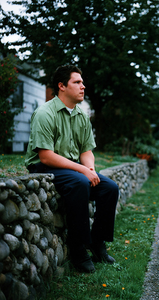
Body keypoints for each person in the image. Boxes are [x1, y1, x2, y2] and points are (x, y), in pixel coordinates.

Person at [25, 65, 119, 273]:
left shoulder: (81, 115)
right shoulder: (44, 113)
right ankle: (78, 249)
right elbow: (46, 156)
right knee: (80, 182)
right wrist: (83, 171)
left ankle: (97, 242)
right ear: (61, 86)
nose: (83, 86)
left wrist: (91, 169)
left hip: (72, 168)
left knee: (109, 188)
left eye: (82, 82)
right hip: (44, 166)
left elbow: (86, 150)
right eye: (77, 82)